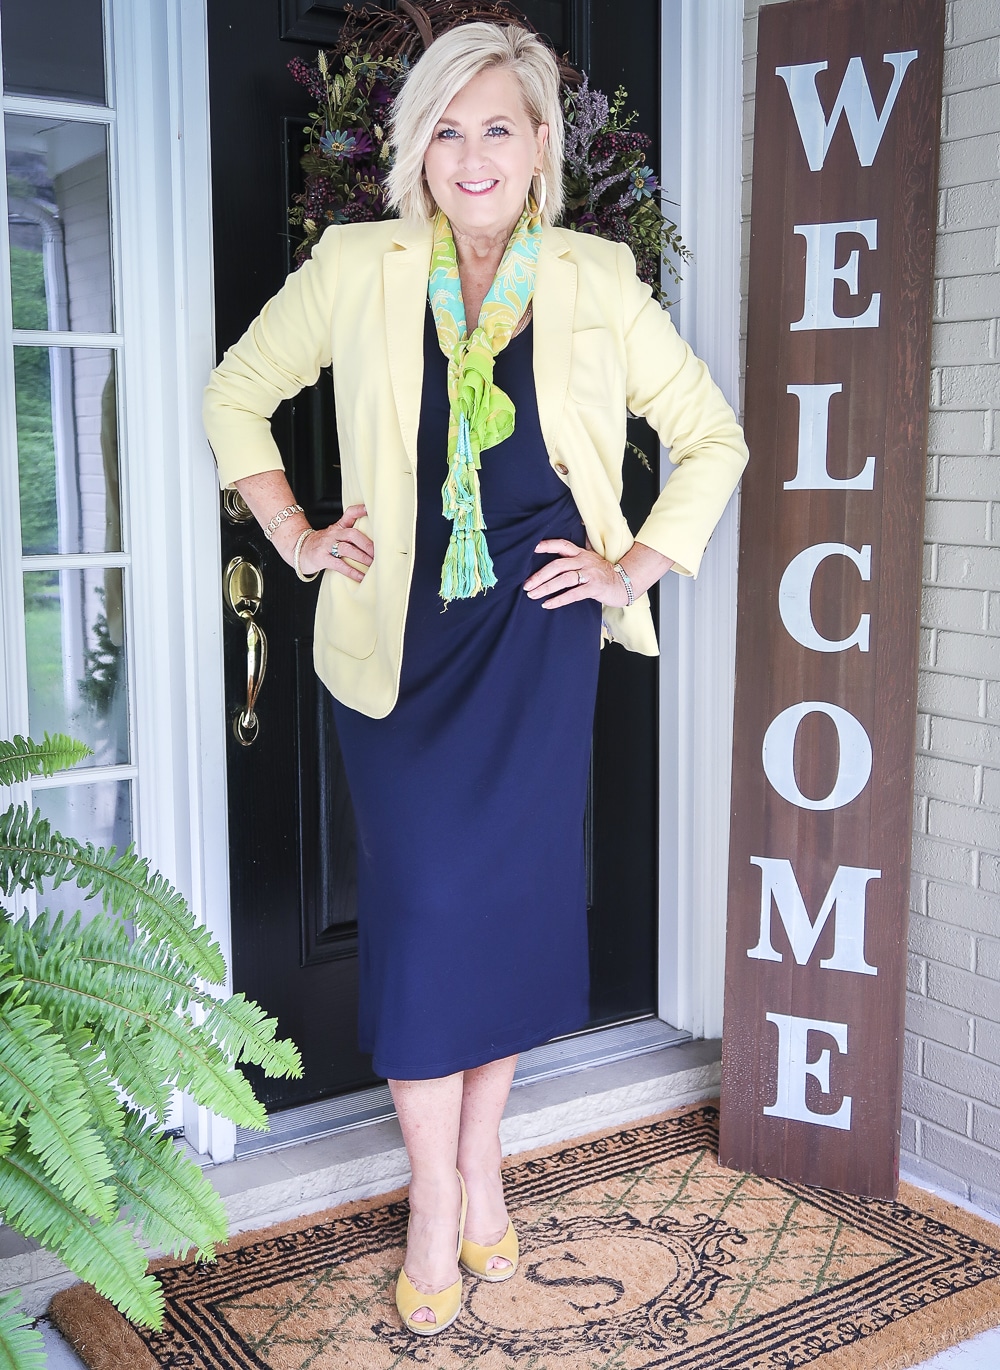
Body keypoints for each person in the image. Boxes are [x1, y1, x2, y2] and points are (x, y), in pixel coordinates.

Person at [203, 21, 748, 1338]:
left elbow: (709, 438)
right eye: (445, 129)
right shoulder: (359, 267)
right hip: (399, 645)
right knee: (427, 911)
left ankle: (477, 1167)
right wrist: (298, 535)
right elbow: (237, 395)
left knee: (504, 912)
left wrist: (631, 569)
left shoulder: (597, 278)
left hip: (535, 636)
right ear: (416, 152)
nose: (472, 152)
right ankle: (434, 1202)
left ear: (542, 144)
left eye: (498, 125)